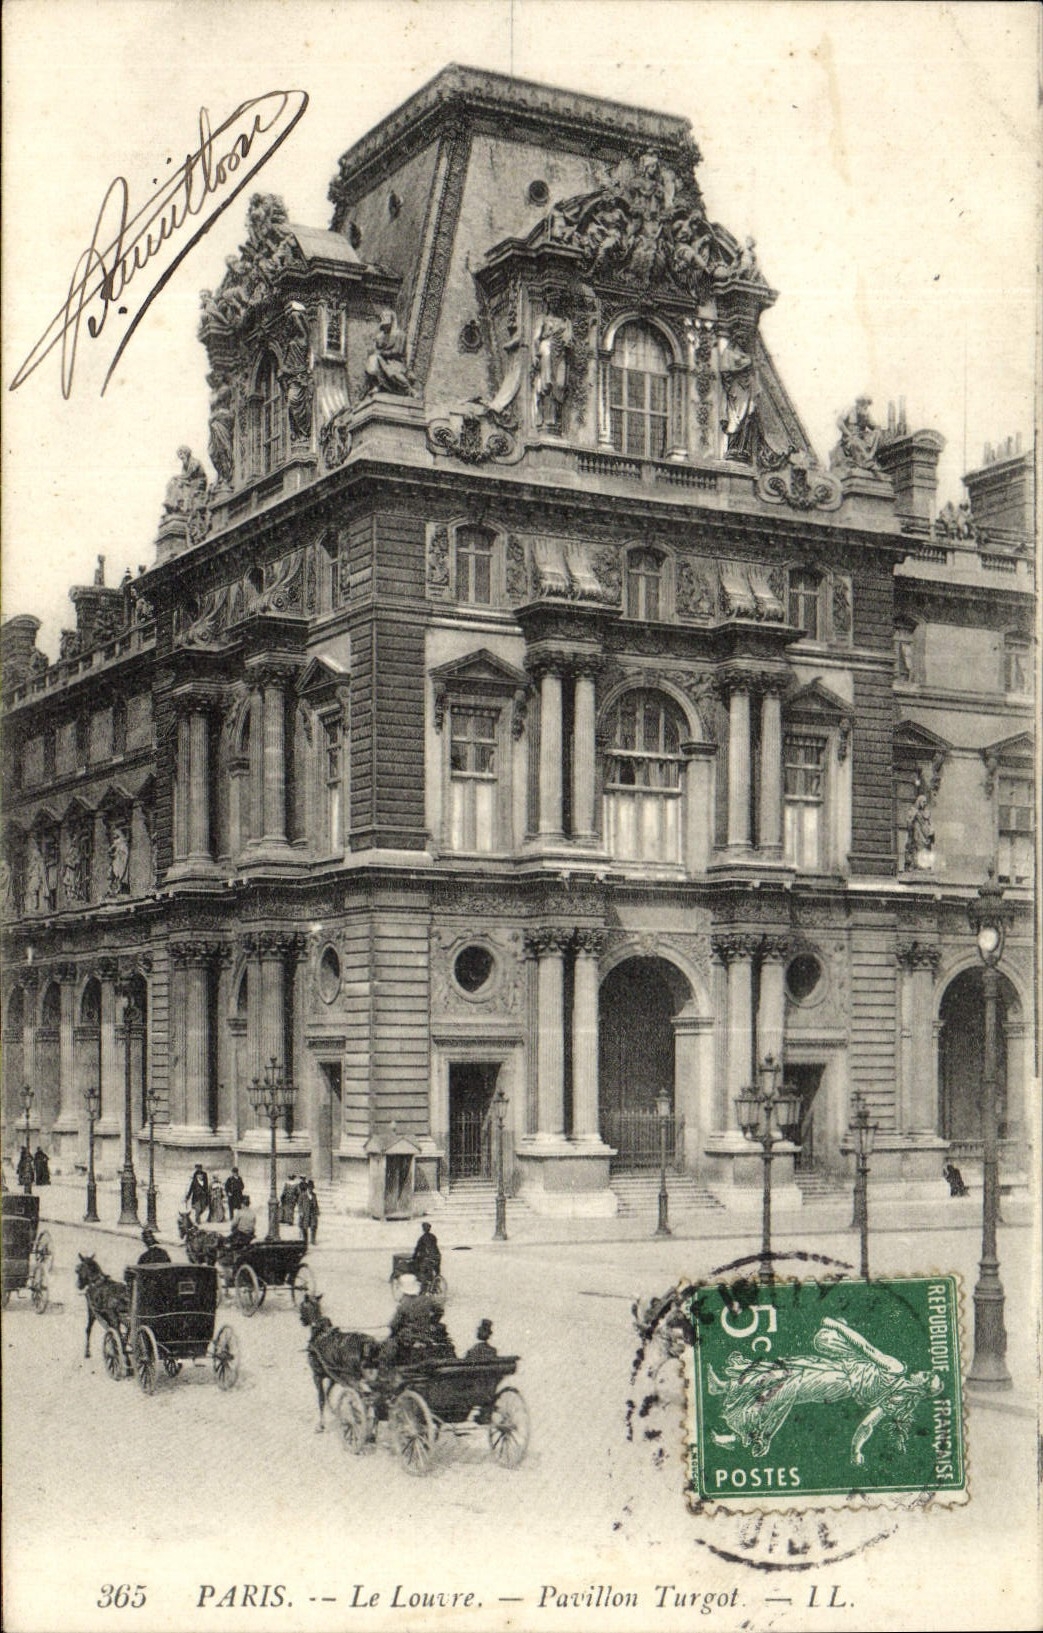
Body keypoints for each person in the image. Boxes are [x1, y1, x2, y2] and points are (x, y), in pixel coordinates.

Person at [707, 1314, 943, 1466]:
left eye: (925, 1376)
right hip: (836, 1374)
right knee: (781, 1373)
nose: (922, 1372)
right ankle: (724, 1387)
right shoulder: (897, 1397)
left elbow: (866, 1348)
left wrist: (836, 1325)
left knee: (784, 1388)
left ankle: (740, 1435)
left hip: (836, 1379)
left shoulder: (897, 1369)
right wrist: (856, 1451)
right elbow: (868, 1425)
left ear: (921, 1386)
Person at [412, 1221, 441, 1292]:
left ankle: (424, 1288)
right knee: (436, 1270)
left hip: (429, 1257)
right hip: (437, 1256)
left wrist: (414, 1257)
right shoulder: (433, 1236)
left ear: (423, 1229)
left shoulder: (422, 1238)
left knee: (422, 1269)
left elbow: (417, 1249)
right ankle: (436, 1284)